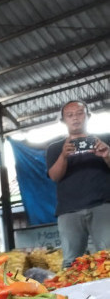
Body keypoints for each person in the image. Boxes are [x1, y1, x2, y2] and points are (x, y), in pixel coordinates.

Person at [46, 100, 110, 268]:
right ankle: (71, 295)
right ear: (64, 120)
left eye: (80, 113)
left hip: (102, 206)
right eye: (70, 115)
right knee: (70, 262)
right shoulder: (55, 148)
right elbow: (54, 177)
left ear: (88, 116)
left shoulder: (105, 139)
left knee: (108, 257)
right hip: (69, 211)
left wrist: (106, 154)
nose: (75, 118)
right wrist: (63, 156)